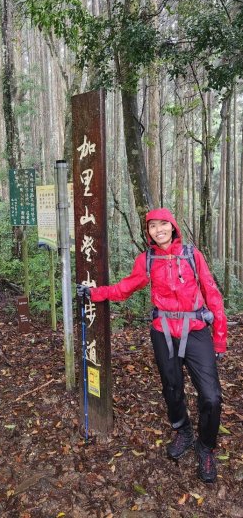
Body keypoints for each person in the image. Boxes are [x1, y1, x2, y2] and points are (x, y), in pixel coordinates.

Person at [77, 207, 227, 483]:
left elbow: (212, 293)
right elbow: (126, 287)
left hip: (195, 331)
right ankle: (182, 429)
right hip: (163, 332)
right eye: (152, 226)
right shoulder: (147, 260)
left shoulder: (192, 256)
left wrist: (219, 337)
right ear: (148, 232)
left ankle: (206, 447)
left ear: (173, 226)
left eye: (163, 224)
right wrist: (96, 293)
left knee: (211, 396)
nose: (159, 230)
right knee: (172, 387)